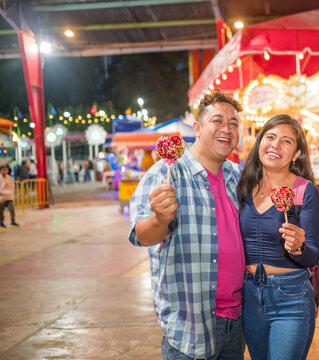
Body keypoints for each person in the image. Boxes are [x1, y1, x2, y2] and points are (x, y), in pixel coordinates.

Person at [129, 91, 245, 360]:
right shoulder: (166, 173)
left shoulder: (237, 176)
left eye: (233, 123)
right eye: (217, 121)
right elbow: (141, 235)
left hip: (237, 318)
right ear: (197, 128)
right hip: (191, 323)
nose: (226, 129)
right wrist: (159, 219)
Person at [236, 114, 319, 360]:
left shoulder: (304, 191)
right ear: (260, 143)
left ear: (296, 154)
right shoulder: (243, 187)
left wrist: (299, 247)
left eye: (286, 141)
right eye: (270, 137)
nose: (275, 145)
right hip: (249, 294)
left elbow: (312, 255)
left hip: (291, 297)